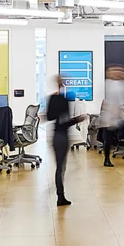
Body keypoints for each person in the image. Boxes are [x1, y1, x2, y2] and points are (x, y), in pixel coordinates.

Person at [45, 75, 84, 206]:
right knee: (60, 168)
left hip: (59, 136)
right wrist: (78, 119)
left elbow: (50, 117)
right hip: (61, 137)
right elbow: (63, 121)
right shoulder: (60, 99)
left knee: (61, 167)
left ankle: (61, 195)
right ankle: (60, 196)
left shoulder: (57, 98)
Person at [97, 65, 124, 166]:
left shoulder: (122, 85)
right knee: (108, 138)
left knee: (113, 136)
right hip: (109, 117)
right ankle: (107, 159)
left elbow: (122, 101)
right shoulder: (107, 85)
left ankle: (108, 156)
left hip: (116, 117)